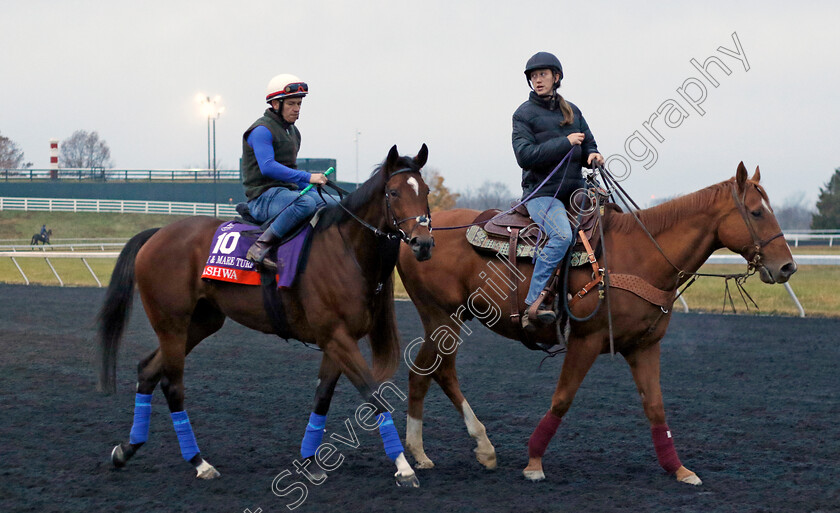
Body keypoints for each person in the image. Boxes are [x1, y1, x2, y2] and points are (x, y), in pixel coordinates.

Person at [512, 51, 605, 335]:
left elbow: (588, 141)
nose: (537, 80)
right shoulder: (523, 114)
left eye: (542, 74)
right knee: (563, 235)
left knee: (611, 224)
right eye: (533, 76)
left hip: (576, 191)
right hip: (542, 195)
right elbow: (525, 156)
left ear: (557, 77)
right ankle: (534, 302)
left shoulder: (572, 111)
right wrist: (565, 143)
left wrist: (593, 154)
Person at [241, 74, 328, 271]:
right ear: (275, 103)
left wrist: (313, 184)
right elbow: (268, 167)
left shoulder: (293, 132)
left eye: (299, 103)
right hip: (263, 197)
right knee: (305, 203)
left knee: (334, 204)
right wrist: (308, 177)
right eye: (291, 104)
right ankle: (261, 246)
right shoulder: (261, 130)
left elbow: (291, 171)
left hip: (286, 193)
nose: (297, 109)